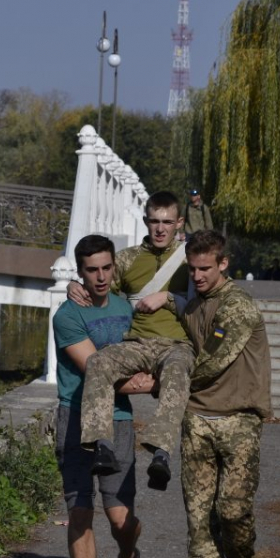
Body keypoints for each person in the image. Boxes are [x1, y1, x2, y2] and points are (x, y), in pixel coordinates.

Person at [52, 234, 152, 558]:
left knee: (119, 517)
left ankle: (128, 557)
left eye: (106, 268)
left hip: (118, 421)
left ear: (114, 267)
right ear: (80, 272)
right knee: (80, 510)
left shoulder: (127, 310)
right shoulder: (66, 316)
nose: (100, 277)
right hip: (75, 417)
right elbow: (96, 369)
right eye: (91, 270)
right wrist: (143, 383)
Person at [176, 229, 272, 558]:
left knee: (232, 512)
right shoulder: (193, 304)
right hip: (197, 422)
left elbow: (213, 361)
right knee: (199, 520)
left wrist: (166, 383)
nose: (197, 276)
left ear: (223, 264)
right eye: (192, 269)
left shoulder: (239, 307)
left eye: (204, 268)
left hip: (238, 420)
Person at [71, 190, 193, 492]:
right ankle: (102, 445)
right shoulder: (127, 259)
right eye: (154, 221)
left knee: (177, 371)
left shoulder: (190, 259)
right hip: (136, 343)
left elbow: (213, 289)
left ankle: (161, 455)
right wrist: (73, 284)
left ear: (179, 223)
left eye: (167, 222)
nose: (160, 228)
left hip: (177, 345)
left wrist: (167, 297)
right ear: (145, 222)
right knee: (98, 361)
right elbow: (97, 282)